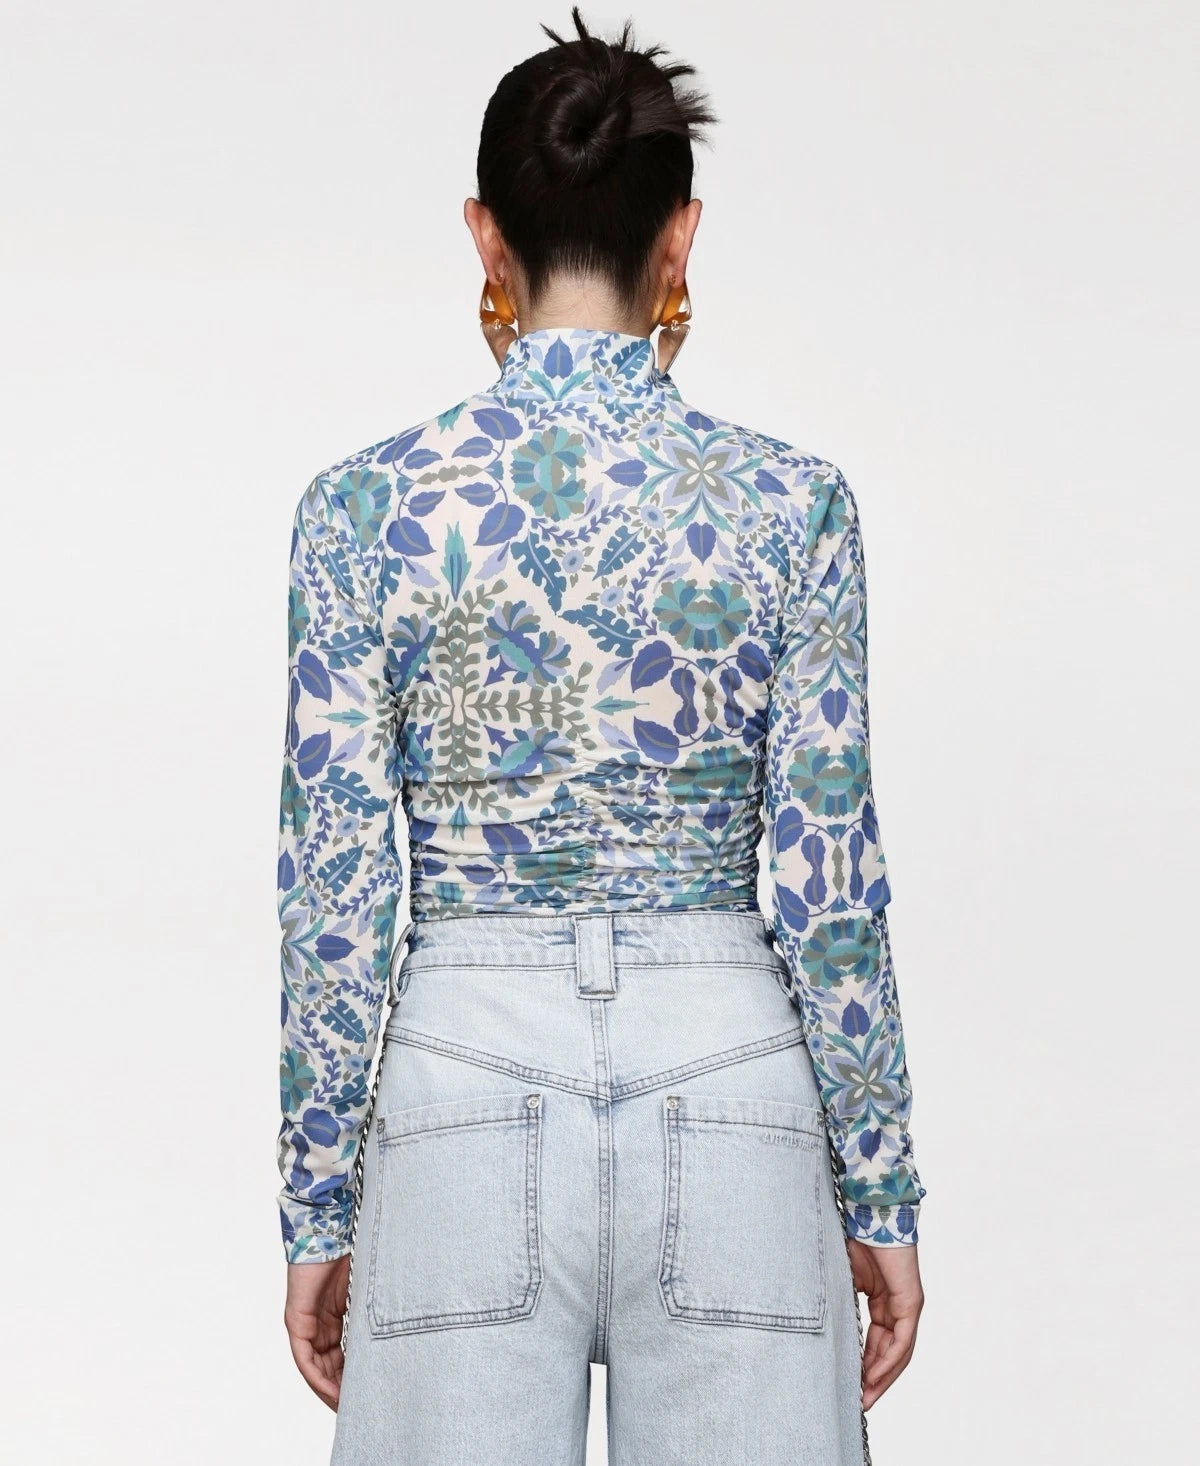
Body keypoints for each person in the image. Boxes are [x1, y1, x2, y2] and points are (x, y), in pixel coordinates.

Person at [276, 8, 926, 1463]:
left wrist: (319, 1205)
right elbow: (830, 884)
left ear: (485, 236)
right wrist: (879, 1190)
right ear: (680, 237)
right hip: (734, 1070)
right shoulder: (792, 508)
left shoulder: (363, 512)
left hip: (458, 1075)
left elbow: (335, 890)